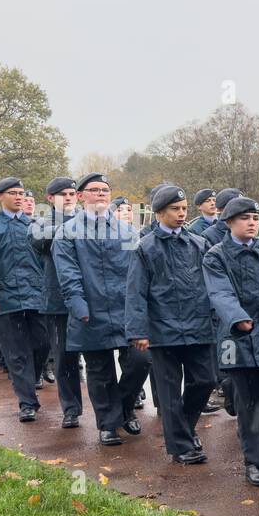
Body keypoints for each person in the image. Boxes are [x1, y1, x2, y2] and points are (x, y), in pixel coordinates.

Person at [53, 173, 151, 446]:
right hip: (90, 312)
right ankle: (108, 423)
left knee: (141, 361)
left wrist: (141, 310)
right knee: (99, 370)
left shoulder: (128, 232)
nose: (100, 194)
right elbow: (68, 274)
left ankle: (125, 406)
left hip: (125, 312)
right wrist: (78, 306)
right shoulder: (67, 233)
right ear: (82, 196)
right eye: (94, 190)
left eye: (105, 190)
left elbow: (139, 275)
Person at [126, 185, 215, 464]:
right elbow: (136, 291)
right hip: (163, 330)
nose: (181, 214)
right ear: (160, 213)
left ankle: (183, 431)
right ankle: (180, 447)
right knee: (169, 390)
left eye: (184, 209)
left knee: (206, 380)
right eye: (175, 209)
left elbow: (212, 284)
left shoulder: (198, 244)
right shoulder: (145, 247)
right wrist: (138, 331)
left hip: (198, 326)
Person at [203, 196, 259, 486]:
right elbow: (219, 293)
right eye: (244, 218)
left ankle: (254, 439)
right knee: (249, 399)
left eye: (255, 218)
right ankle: (256, 462)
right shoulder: (215, 255)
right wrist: (237, 317)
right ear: (229, 223)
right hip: (234, 337)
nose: (252, 223)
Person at [0, 178, 52, 421]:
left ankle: (33, 377)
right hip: (4, 299)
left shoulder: (35, 225)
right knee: (16, 353)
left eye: (21, 193)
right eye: (12, 193)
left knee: (43, 344)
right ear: (0, 196)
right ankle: (27, 402)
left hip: (36, 296)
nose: (18, 197)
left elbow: (46, 263)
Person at [36, 177, 84, 425]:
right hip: (57, 300)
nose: (68, 197)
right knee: (64, 357)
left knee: (100, 356)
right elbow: (38, 242)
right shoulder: (42, 222)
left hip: (89, 297)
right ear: (50, 198)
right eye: (62, 194)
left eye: (72, 193)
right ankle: (71, 408)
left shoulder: (90, 220)